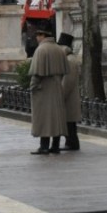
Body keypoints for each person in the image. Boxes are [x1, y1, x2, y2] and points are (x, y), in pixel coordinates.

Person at [28, 21, 68, 155]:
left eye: (38, 35)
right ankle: (55, 146)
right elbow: (63, 72)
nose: (36, 38)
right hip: (57, 87)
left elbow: (36, 73)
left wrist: (32, 87)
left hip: (43, 89)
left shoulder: (41, 50)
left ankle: (44, 146)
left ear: (42, 35)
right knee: (56, 118)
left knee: (44, 118)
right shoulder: (59, 49)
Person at [54, 32, 81, 151]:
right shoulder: (67, 58)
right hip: (68, 97)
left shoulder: (69, 60)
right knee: (68, 122)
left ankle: (72, 143)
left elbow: (68, 82)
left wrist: (61, 95)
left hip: (69, 98)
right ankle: (70, 143)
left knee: (69, 122)